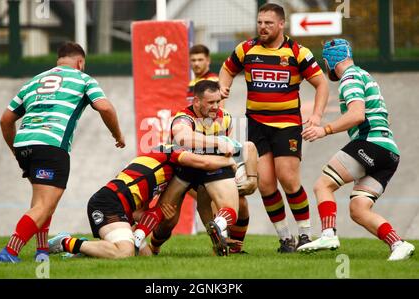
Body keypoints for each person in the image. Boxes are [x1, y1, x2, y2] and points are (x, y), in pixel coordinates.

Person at [0, 42, 126, 263]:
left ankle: (42, 251)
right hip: (51, 145)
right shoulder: (83, 79)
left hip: (25, 143)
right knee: (44, 205)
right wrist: (117, 135)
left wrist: (15, 150)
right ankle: (10, 251)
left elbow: (5, 120)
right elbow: (105, 107)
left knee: (42, 202)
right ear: (80, 62)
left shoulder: (34, 81)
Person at [219, 3, 329, 253]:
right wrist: (222, 97)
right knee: (266, 185)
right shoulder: (246, 49)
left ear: (281, 24)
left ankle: (304, 235)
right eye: (260, 22)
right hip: (256, 125)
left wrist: (316, 115)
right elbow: (226, 70)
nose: (263, 27)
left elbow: (321, 84)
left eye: (268, 23)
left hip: (287, 125)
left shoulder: (297, 52)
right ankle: (285, 239)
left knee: (288, 180)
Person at [298, 39, 415, 261]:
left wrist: (325, 130)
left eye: (325, 62)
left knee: (323, 185)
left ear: (330, 61)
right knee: (359, 208)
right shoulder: (364, 74)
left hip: (370, 143)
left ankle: (328, 234)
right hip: (390, 153)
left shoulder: (349, 78)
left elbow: (357, 115)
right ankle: (398, 244)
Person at [48, 144, 237, 259]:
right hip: (108, 203)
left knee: (145, 257)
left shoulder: (162, 174)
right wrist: (229, 161)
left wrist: (160, 215)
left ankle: (85, 248)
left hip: (123, 210)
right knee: (125, 253)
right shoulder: (169, 153)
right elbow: (203, 163)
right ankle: (65, 242)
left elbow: (140, 212)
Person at [147, 80, 257, 256]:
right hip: (181, 170)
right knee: (168, 220)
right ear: (196, 102)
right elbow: (184, 138)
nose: (215, 107)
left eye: (217, 101)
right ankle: (154, 247)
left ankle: (229, 245)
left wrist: (252, 178)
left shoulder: (225, 118)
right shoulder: (183, 118)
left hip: (209, 168)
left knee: (235, 205)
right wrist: (217, 143)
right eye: (210, 102)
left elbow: (240, 148)